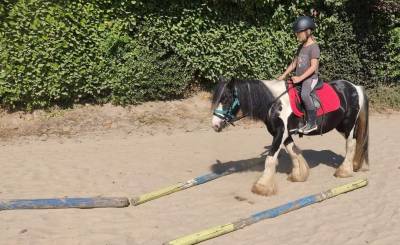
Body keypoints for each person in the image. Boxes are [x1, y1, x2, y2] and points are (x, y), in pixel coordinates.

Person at [277, 16, 320, 134]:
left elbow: (313, 67)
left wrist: (300, 78)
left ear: (308, 31)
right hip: (299, 78)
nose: (297, 36)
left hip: (310, 78)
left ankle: (312, 123)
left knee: (305, 95)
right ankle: (297, 122)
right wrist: (284, 74)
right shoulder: (301, 47)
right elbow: (294, 63)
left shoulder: (314, 47)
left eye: (299, 33)